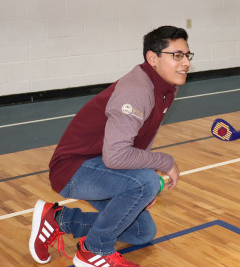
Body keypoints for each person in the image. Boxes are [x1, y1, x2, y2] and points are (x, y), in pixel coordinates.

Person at [29, 26, 193, 267]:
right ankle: (95, 251)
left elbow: (139, 140)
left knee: (141, 231)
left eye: (187, 55)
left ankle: (58, 219)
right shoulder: (137, 89)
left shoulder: (165, 87)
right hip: (75, 169)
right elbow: (116, 155)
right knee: (145, 182)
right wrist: (162, 165)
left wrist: (139, 182)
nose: (186, 63)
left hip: (101, 165)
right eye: (177, 55)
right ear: (152, 58)